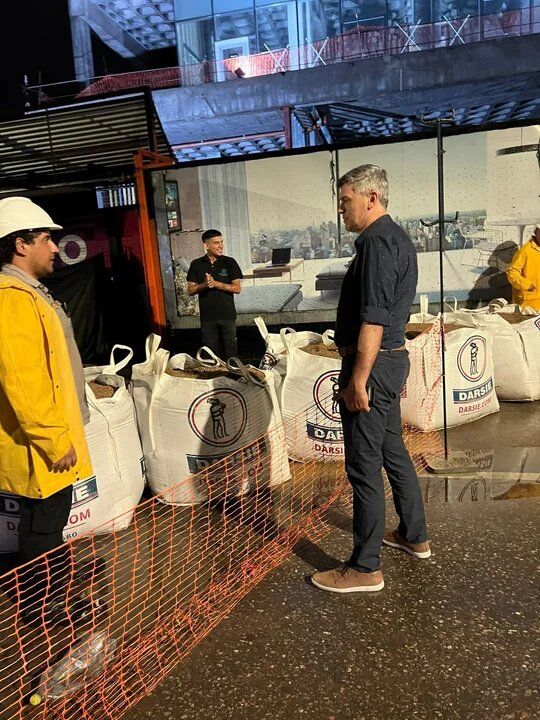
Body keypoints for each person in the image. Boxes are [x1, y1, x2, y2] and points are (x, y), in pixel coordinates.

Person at [311, 165, 430, 594]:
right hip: (392, 361)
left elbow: (374, 319)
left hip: (374, 366)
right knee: (392, 449)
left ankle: (365, 568)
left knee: (363, 466)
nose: (341, 210)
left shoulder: (378, 243)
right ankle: (414, 536)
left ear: (371, 199)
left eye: (345, 201)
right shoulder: (397, 238)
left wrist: (358, 378)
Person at [0, 197, 93, 623]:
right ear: (20, 244)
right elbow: (23, 380)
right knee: (43, 528)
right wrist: (54, 438)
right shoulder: (12, 299)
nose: (56, 247)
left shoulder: (31, 293)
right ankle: (41, 609)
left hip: (51, 435)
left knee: (49, 524)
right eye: (45, 239)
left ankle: (50, 596)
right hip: (43, 442)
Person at [186, 229, 243, 359]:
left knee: (231, 354)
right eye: (216, 243)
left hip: (227, 316)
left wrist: (217, 284)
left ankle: (233, 377)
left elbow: (237, 288)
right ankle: (214, 379)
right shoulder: (196, 264)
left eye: (221, 242)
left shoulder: (230, 262)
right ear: (206, 246)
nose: (221, 246)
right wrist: (204, 285)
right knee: (210, 356)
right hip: (207, 318)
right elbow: (190, 290)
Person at [506, 224, 540, 311]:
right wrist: (526, 285)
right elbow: (512, 273)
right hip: (528, 301)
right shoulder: (525, 251)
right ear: (536, 232)